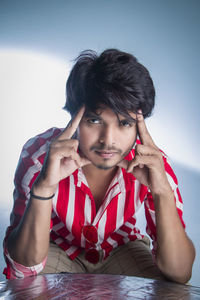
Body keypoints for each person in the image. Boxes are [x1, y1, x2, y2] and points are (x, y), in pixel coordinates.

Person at [3, 49, 195, 283]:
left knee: (170, 292)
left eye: (124, 123)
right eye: (94, 120)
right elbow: (24, 266)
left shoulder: (153, 165)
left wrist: (162, 190)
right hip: (56, 245)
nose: (108, 139)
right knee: (29, 289)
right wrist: (44, 187)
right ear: (74, 117)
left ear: (138, 126)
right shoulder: (40, 155)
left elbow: (180, 274)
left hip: (121, 247)